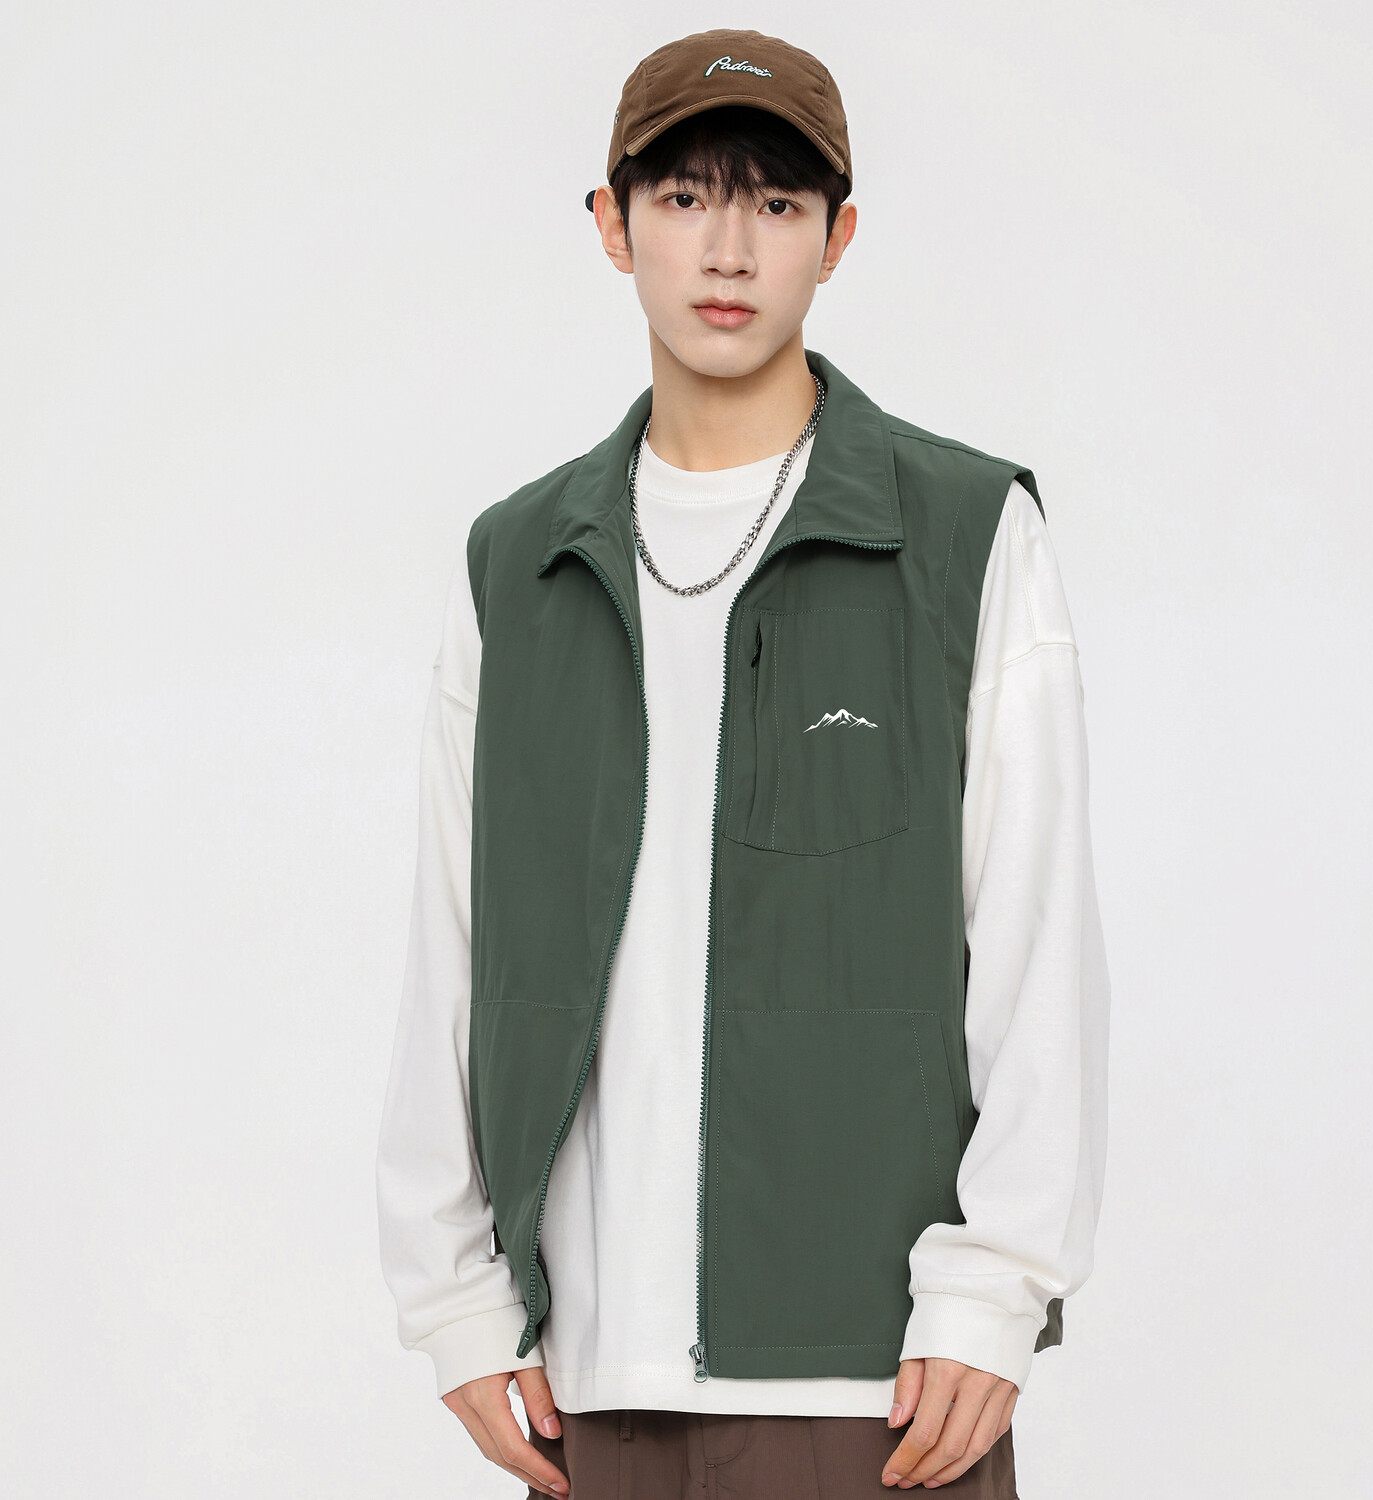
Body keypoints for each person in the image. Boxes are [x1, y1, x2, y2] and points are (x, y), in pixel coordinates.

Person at [376, 27, 1110, 1499]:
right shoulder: (515, 566)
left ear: (838, 238)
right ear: (612, 224)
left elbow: (1038, 935)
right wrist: (454, 1296)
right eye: (684, 197)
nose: (728, 248)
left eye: (776, 203)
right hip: (585, 1387)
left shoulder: (963, 536)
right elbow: (454, 942)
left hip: (877, 1382)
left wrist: (995, 1288)